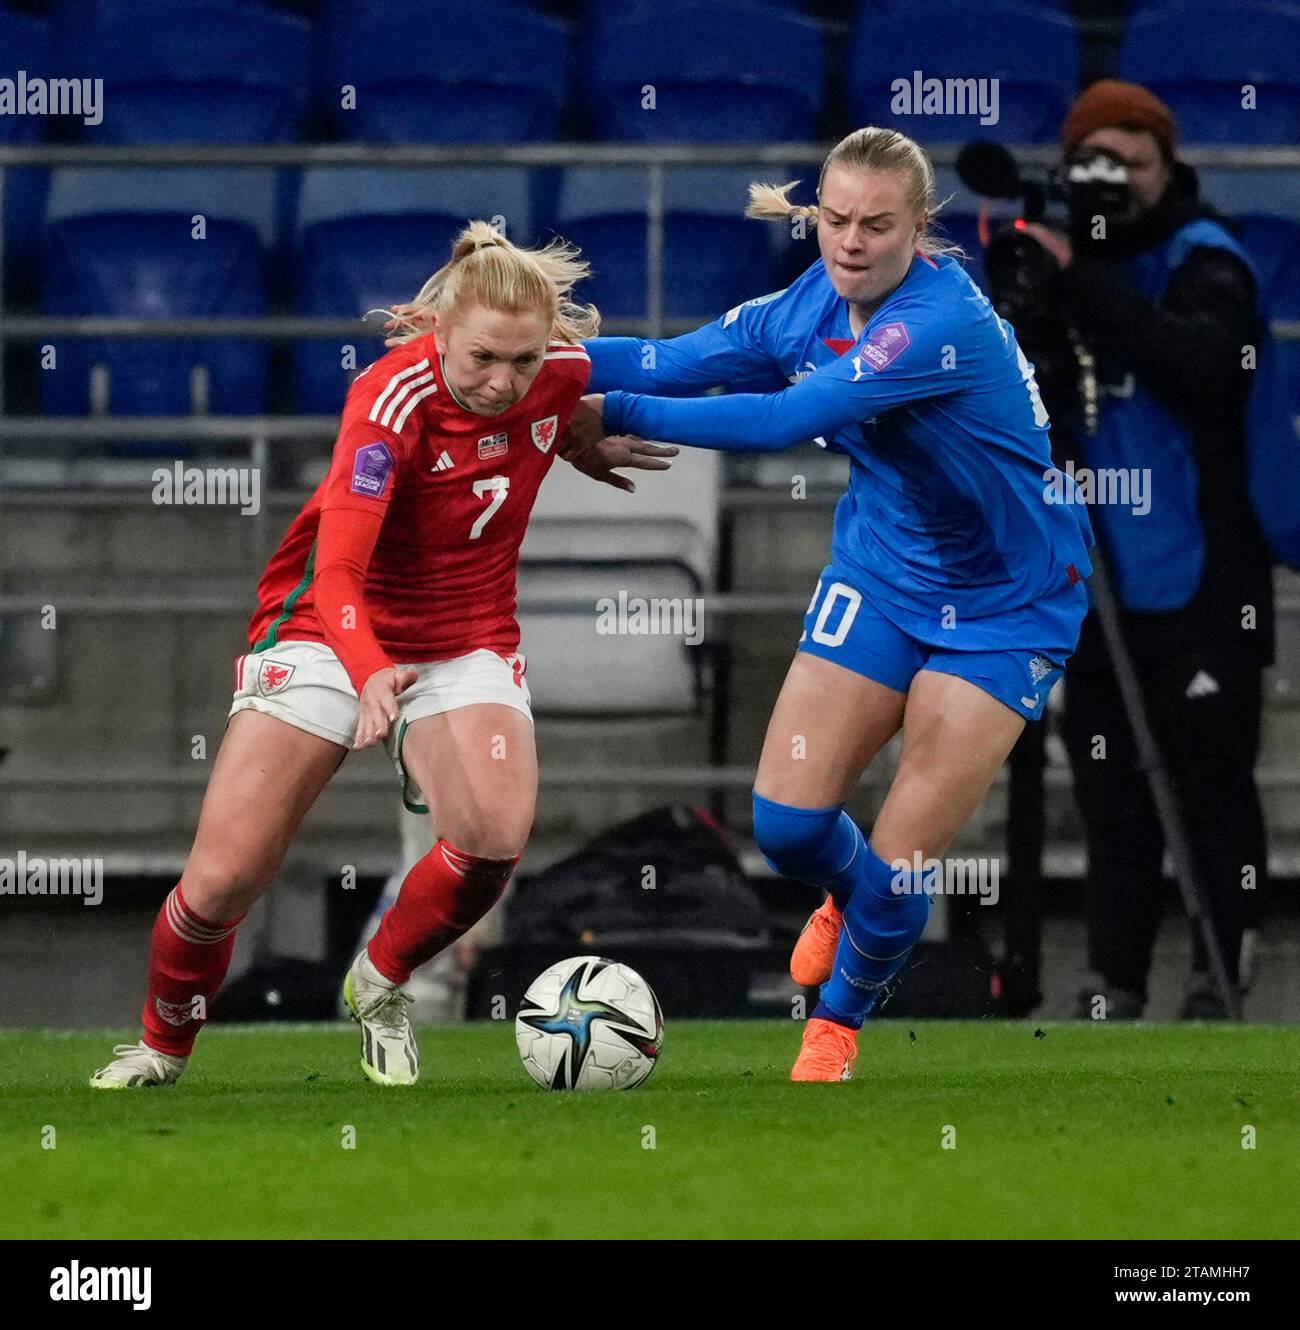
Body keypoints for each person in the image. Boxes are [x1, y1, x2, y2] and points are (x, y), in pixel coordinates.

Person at [565, 126, 1095, 1081]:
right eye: (835, 221)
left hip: (1009, 602)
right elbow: (666, 359)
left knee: (902, 861)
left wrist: (610, 415)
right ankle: (850, 900)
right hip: (885, 573)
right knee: (790, 827)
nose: (851, 243)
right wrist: (527, 362)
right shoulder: (809, 300)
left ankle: (836, 1026)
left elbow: (784, 417)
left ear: (919, 230)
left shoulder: (938, 321)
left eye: (877, 227)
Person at [90, 222, 669, 1090]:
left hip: (465, 636)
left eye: (523, 363)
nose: (502, 383)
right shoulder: (387, 398)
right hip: (329, 627)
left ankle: (381, 981)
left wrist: (580, 440)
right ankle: (162, 1048)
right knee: (223, 882)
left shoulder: (557, 376)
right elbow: (339, 571)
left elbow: (637, 378)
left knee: (492, 843)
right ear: (440, 332)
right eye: (482, 360)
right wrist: (367, 672)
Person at [1015, 80, 1273, 1018]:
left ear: (1168, 169)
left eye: (1135, 162)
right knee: (1111, 794)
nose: (1114, 179)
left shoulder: (1210, 262)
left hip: (1207, 582)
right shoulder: (1053, 267)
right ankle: (1113, 983)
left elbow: (1201, 369)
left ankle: (1220, 969)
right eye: (1096, 161)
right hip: (1092, 580)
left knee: (1211, 785)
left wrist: (1079, 280)